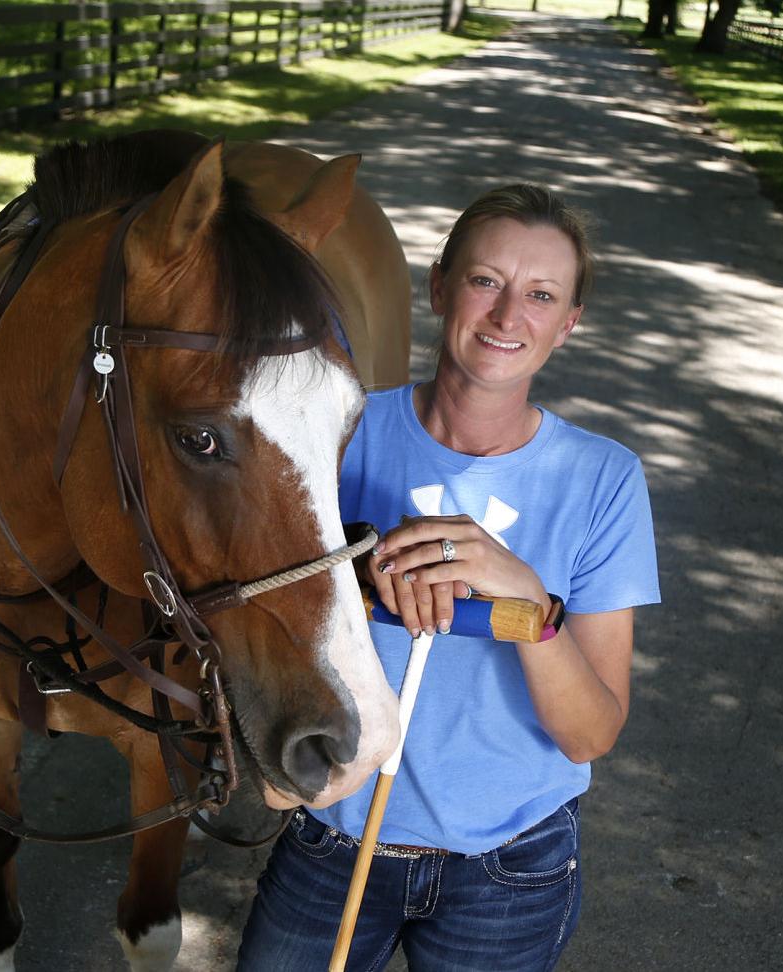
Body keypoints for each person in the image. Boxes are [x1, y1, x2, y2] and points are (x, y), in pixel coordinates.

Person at [235, 184, 661, 972]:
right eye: (485, 281)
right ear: (438, 287)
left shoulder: (604, 478)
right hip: (336, 838)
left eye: (540, 296)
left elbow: (590, 732)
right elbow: (251, 619)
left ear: (568, 325)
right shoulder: (341, 434)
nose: (508, 317)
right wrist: (362, 580)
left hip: (508, 865)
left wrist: (530, 601)